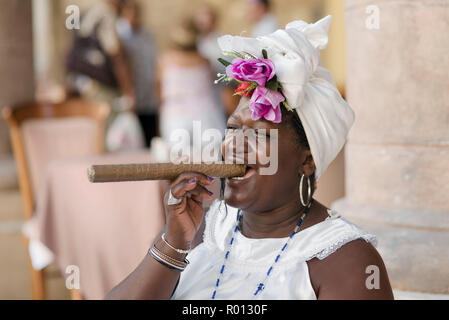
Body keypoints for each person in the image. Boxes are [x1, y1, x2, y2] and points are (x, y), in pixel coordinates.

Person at [105, 16, 394, 300]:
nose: (235, 145)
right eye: (232, 128)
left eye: (259, 135)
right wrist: (172, 244)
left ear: (308, 160)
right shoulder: (203, 230)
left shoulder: (345, 260)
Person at [156, 18, 226, 149]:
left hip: (175, 115)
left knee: (177, 158)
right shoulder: (205, 61)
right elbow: (213, 86)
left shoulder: (164, 61)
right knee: (211, 156)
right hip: (206, 114)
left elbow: (159, 90)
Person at [117, 0, 159, 147]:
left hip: (148, 96)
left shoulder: (147, 35)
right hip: (130, 97)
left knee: (150, 139)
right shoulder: (118, 34)